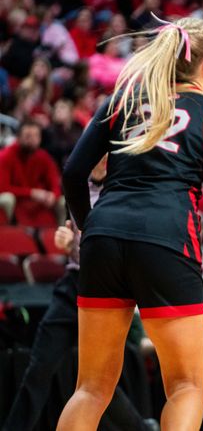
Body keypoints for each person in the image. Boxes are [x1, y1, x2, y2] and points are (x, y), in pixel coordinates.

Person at [56, 16, 203, 431]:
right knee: (185, 386)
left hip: (104, 236)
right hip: (166, 237)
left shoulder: (121, 100)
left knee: (90, 388)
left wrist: (90, 229)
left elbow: (74, 172)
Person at [3, 156, 157, 431]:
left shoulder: (127, 189)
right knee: (39, 368)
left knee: (98, 382)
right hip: (73, 285)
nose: (98, 156)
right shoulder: (76, 183)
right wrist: (66, 240)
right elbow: (75, 236)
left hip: (107, 291)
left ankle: (142, 428)